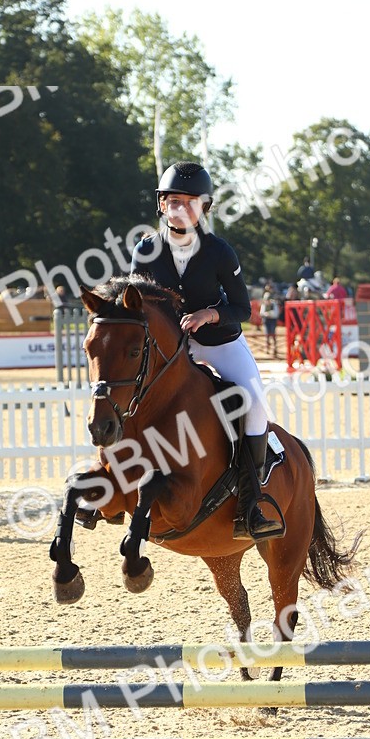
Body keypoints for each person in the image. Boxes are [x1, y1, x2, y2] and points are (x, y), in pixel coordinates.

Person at [130, 160, 281, 541]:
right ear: (161, 205)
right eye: (174, 200)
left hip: (220, 344)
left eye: (191, 201)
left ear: (204, 208)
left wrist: (209, 314)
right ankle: (113, 486)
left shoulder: (219, 252)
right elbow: (135, 305)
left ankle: (251, 501)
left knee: (255, 404)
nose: (182, 207)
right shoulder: (144, 251)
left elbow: (243, 309)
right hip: (171, 351)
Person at [260, 286, 280, 358]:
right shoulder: (264, 305)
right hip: (266, 320)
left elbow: (276, 313)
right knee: (267, 335)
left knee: (273, 334)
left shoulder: (273, 304)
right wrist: (266, 314)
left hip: (272, 320)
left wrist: (270, 314)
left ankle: (275, 349)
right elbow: (262, 313)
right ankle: (267, 349)